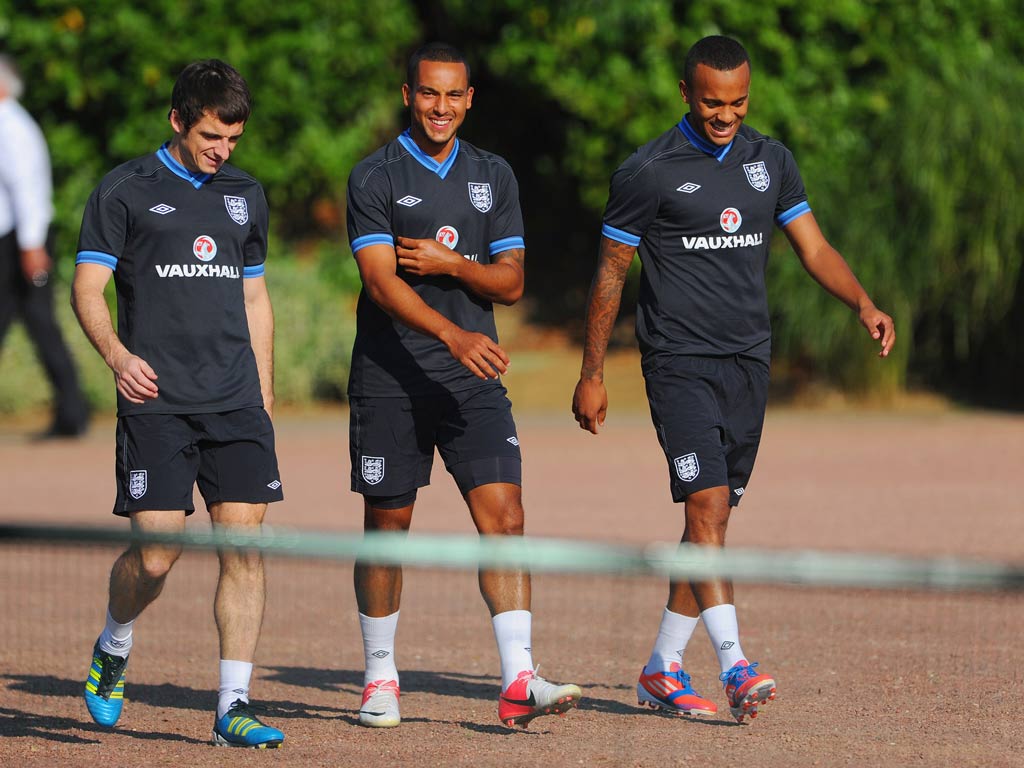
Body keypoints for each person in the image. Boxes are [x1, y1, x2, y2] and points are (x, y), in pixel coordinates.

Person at [572, 35, 895, 724]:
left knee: (709, 522)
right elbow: (610, 275)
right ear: (686, 94)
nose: (727, 115)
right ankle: (735, 663)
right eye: (713, 102)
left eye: (739, 102)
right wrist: (591, 372)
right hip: (677, 360)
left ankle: (661, 668)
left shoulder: (769, 160)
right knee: (707, 507)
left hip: (749, 362)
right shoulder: (648, 170)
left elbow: (813, 246)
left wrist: (862, 302)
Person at [345, 41, 581, 730]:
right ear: (407, 94)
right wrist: (451, 332)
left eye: (453, 95)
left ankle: (518, 680)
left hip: (473, 379)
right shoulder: (375, 176)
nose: (440, 107)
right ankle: (380, 677)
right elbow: (381, 282)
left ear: (470, 98)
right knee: (388, 530)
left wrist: (454, 264)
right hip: (390, 378)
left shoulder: (493, 175)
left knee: (505, 518)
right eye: (427, 93)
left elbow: (511, 282)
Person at [72, 59, 285, 748]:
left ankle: (233, 707)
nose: (222, 152)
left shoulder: (247, 194)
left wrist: (266, 389)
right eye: (210, 137)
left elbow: (255, 295)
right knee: (158, 554)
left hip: (235, 401)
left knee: (243, 549)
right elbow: (86, 288)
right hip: (156, 402)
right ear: (177, 121)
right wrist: (118, 358)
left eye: (233, 140)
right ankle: (114, 643)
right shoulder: (124, 190)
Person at [0, 53, 89, 438]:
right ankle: (73, 410)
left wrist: (32, 246)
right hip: (17, 238)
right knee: (36, 324)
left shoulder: (11, 124)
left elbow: (26, 188)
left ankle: (73, 410)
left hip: (20, 240)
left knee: (41, 323)